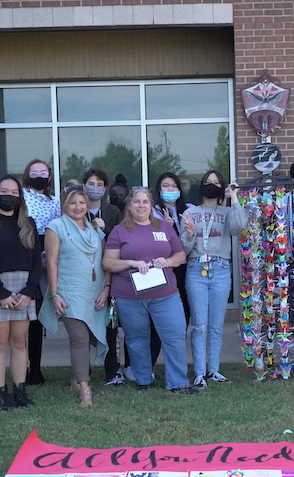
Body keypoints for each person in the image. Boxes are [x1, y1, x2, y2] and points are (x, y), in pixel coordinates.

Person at [103, 187, 198, 395]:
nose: (141, 206)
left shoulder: (164, 227)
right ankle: (143, 380)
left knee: (174, 335)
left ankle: (178, 383)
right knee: (136, 338)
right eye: (136, 202)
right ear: (129, 206)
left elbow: (180, 256)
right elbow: (108, 263)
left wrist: (168, 261)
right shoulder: (120, 231)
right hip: (129, 296)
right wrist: (131, 263)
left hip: (166, 295)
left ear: (151, 205)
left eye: (145, 202)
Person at [0, 175, 42, 411]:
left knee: (19, 341)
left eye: (14, 193)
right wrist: (0, 292)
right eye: (5, 191)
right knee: (0, 342)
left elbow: (36, 261)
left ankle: (20, 389)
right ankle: (0, 392)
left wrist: (28, 291)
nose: (9, 196)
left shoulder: (28, 223)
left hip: (24, 287)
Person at [41, 188, 110, 407]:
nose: (78, 207)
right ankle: (85, 389)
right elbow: (51, 262)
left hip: (95, 292)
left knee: (90, 336)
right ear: (65, 205)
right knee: (79, 338)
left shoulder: (94, 229)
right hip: (69, 291)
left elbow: (106, 259)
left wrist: (106, 288)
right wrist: (54, 293)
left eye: (82, 202)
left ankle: (76, 377)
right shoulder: (56, 227)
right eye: (73, 203)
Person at [181, 171, 247, 387]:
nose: (212, 185)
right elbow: (184, 248)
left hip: (220, 268)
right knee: (199, 324)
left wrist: (234, 196)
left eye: (216, 182)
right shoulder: (191, 212)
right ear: (201, 186)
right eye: (208, 182)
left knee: (216, 324)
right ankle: (199, 372)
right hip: (196, 267)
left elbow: (239, 226)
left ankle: (214, 370)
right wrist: (190, 234)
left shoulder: (228, 211)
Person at [79, 169, 125, 387]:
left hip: (108, 275)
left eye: (99, 183)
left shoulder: (113, 211)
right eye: (90, 183)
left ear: (104, 188)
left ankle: (113, 371)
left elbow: (122, 242)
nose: (94, 187)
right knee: (81, 326)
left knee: (110, 325)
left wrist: (105, 229)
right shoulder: (76, 210)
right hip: (81, 276)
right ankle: (81, 373)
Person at [21, 159, 60, 386]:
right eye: (34, 171)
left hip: (48, 258)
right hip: (26, 254)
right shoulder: (21, 198)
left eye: (43, 172)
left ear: (49, 176)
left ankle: (35, 369)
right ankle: (23, 366)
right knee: (25, 318)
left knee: (38, 318)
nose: (38, 175)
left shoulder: (54, 201)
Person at [148, 171, 192, 368]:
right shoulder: (153, 211)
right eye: (166, 186)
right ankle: (150, 363)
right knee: (158, 318)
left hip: (186, 268)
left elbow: (191, 242)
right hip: (162, 269)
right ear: (159, 189)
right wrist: (167, 227)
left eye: (174, 186)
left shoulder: (189, 209)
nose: (170, 190)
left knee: (183, 315)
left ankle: (174, 362)